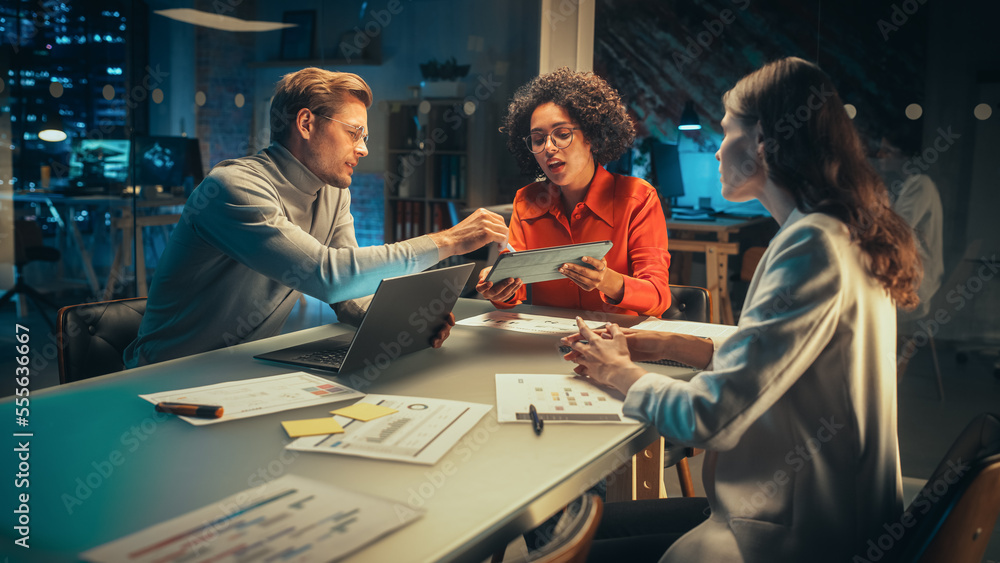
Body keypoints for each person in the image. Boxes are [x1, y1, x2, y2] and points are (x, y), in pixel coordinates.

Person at [562, 57, 921, 562]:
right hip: (818, 512)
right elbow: (778, 352)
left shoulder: (813, 244)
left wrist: (617, 372)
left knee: (574, 544)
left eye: (725, 131)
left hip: (800, 534)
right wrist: (659, 342)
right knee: (595, 531)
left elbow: (709, 417)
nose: (714, 152)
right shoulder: (838, 229)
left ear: (764, 142)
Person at [124, 68, 508, 368]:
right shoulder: (232, 188)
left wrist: (399, 324)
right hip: (166, 377)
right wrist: (447, 241)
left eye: (366, 137)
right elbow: (328, 275)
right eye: (355, 133)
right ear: (306, 124)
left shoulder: (334, 191)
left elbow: (347, 295)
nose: (362, 149)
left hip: (243, 370)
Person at [476, 68, 671, 317]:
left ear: (591, 136)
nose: (549, 147)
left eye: (563, 134)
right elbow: (515, 290)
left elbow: (658, 296)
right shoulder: (527, 201)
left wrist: (606, 280)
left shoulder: (638, 199)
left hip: (619, 346)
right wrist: (498, 287)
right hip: (549, 345)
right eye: (538, 139)